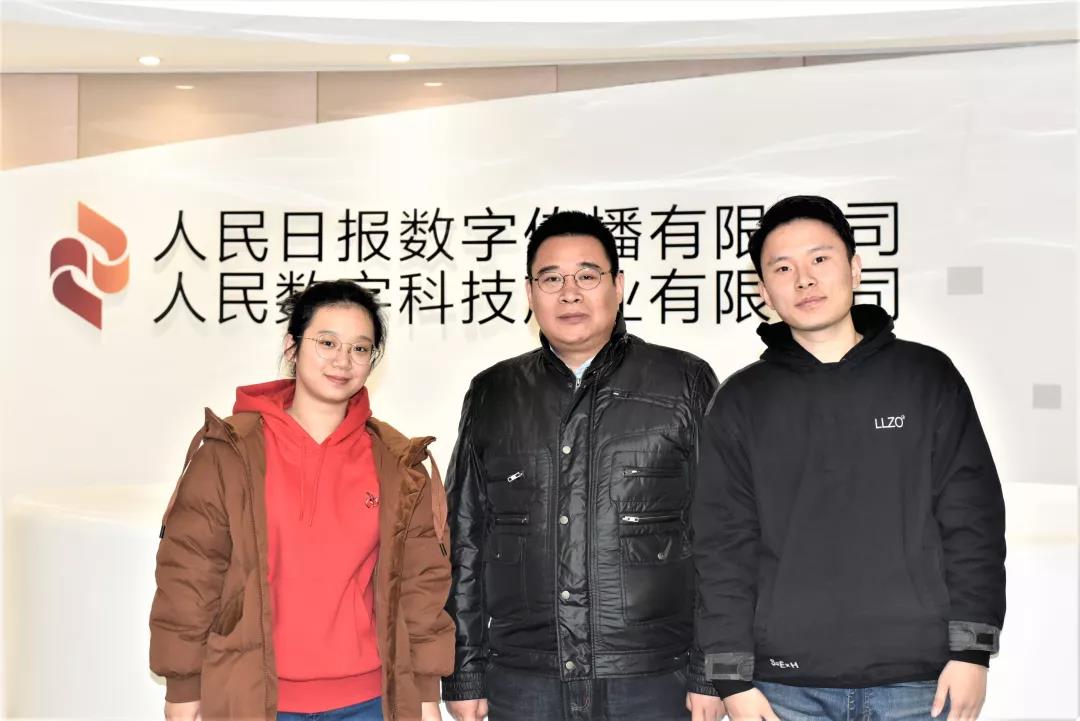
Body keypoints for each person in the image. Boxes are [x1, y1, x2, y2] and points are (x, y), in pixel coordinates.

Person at [694, 195, 1006, 721]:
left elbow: (972, 519)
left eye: (820, 259)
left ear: (855, 268)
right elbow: (723, 546)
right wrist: (730, 679)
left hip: (919, 683)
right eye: (782, 268)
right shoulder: (741, 400)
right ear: (763, 290)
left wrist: (973, 651)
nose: (804, 279)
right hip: (784, 690)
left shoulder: (926, 377)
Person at [441, 211, 725, 721]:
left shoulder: (684, 381)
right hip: (525, 679)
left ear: (619, 285)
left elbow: (722, 534)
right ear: (530, 294)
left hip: (652, 676)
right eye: (551, 279)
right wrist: (463, 672)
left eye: (587, 275)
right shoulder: (493, 393)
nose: (569, 293)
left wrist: (715, 672)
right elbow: (465, 536)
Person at [150, 280, 454, 721]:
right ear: (292, 347)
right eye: (327, 343)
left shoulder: (396, 462)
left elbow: (421, 586)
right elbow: (190, 574)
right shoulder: (229, 452)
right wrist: (183, 687)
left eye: (360, 348)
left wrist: (426, 694)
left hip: (368, 703)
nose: (342, 360)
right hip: (254, 700)